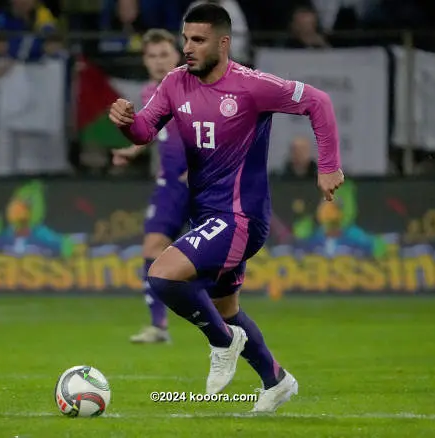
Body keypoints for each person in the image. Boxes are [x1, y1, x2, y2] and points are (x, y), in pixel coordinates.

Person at [109, 3, 344, 413]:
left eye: (197, 40)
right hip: (208, 216)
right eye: (185, 38)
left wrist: (327, 166)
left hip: (240, 218)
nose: (188, 48)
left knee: (162, 275)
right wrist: (127, 122)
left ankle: (221, 342)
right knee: (227, 309)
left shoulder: (251, 86)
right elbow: (145, 131)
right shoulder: (174, 84)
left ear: (223, 42)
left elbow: (318, 102)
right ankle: (276, 380)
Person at [112, 29, 189, 344]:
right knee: (151, 249)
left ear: (178, 55)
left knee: (216, 266)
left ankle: (228, 329)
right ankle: (159, 327)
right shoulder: (148, 94)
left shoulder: (195, 88)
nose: (158, 62)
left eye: (164, 55)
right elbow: (152, 130)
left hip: (207, 185)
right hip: (170, 184)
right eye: (152, 56)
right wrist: (132, 150)